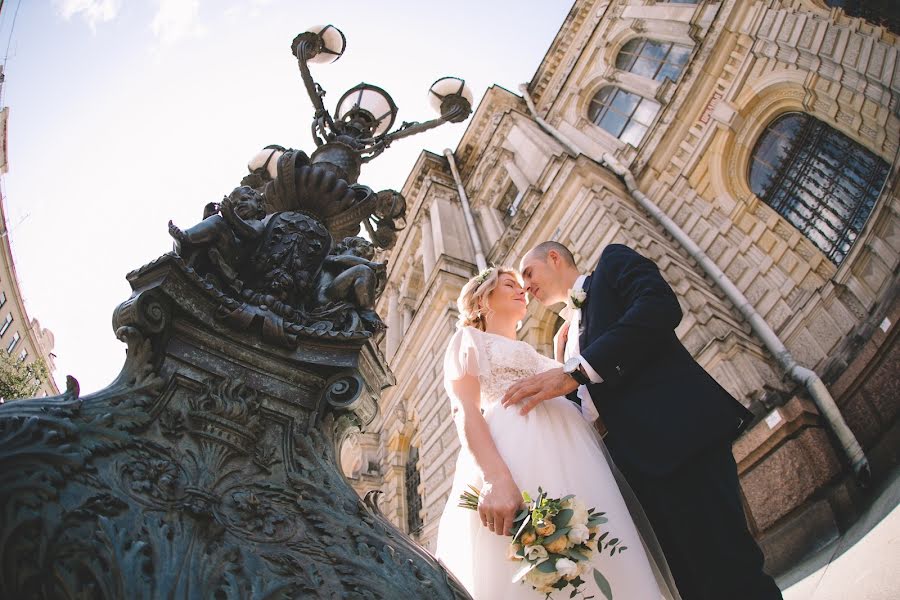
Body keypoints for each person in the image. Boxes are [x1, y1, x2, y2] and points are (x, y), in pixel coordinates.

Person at [504, 241, 782, 600]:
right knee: (690, 585)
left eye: (528, 273)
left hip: (677, 443)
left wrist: (576, 371)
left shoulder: (612, 264)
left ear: (554, 258)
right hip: (629, 473)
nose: (525, 286)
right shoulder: (562, 338)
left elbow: (659, 308)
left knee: (729, 568)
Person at [434, 267, 679, 600]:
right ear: (482, 300)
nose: (522, 290)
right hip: (519, 452)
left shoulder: (543, 352)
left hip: (575, 453)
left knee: (602, 545)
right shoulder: (469, 340)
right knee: (546, 563)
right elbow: (463, 408)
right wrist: (495, 478)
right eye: (509, 285)